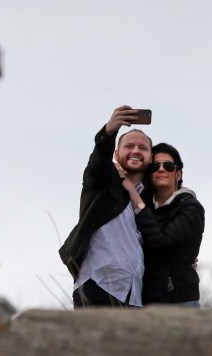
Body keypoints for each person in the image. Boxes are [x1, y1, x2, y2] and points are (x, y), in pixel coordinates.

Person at [58, 105, 152, 308]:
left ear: (151, 157)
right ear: (117, 154)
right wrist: (108, 133)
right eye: (129, 146)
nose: (136, 151)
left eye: (143, 148)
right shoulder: (102, 181)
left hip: (133, 296)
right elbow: (98, 161)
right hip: (97, 286)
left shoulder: (147, 199)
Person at [118, 142, 204, 307]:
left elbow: (161, 243)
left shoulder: (191, 207)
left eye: (169, 166)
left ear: (178, 174)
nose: (161, 169)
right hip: (145, 300)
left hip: (180, 300)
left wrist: (135, 198)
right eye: (155, 166)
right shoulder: (146, 207)